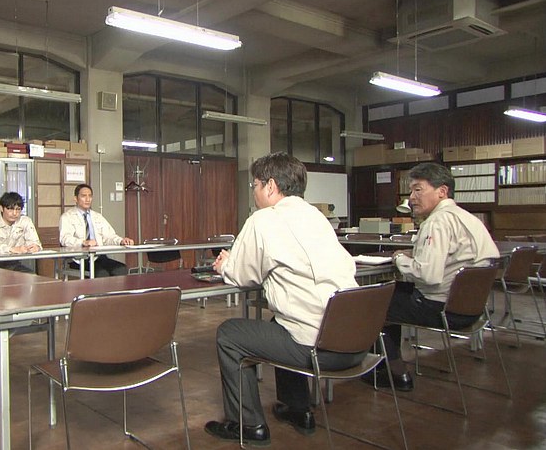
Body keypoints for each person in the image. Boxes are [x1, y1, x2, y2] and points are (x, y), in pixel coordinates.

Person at [204, 152, 362, 446]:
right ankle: (298, 410)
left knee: (230, 334)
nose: (253, 192)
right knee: (282, 322)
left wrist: (225, 264)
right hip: (355, 342)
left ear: (270, 186)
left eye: (254, 185)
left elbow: (242, 275)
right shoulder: (317, 217)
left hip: (321, 348)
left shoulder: (263, 220)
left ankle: (248, 425)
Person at [365, 162, 500, 392]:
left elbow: (428, 276)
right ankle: (387, 366)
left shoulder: (437, 222)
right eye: (411, 191)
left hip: (440, 308)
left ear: (442, 191)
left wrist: (400, 258)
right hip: (472, 310)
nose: (411, 198)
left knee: (374, 301)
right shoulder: (469, 218)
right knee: (393, 293)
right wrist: (418, 255)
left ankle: (394, 372)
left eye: (418, 189)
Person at [59, 183, 134, 277]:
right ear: (75, 198)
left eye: (90, 196)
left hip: (98, 256)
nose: (87, 199)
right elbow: (65, 238)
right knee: (101, 273)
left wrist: (121, 241)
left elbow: (109, 236)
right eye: (83, 196)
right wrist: (83, 242)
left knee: (121, 269)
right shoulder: (67, 217)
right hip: (79, 259)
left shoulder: (97, 216)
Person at [0, 191, 42, 273]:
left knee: (32, 277)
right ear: (1, 208)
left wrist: (35, 247)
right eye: (10, 209)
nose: (14, 213)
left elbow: (35, 242)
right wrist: (12, 249)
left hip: (15, 264)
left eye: (18, 209)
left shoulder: (25, 221)